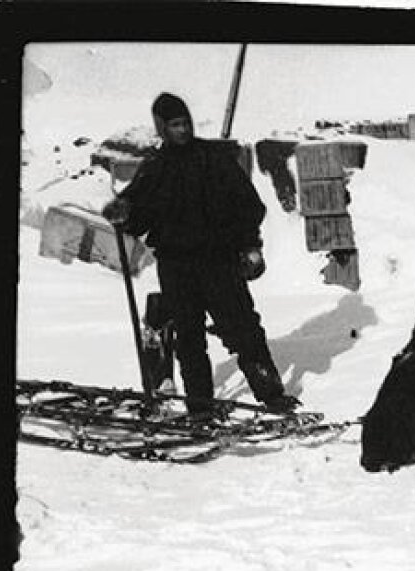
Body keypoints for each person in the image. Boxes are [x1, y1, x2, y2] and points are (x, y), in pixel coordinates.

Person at [103, 92, 299, 414]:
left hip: (218, 263)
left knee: (243, 330)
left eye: (186, 123)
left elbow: (249, 205)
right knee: (189, 340)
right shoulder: (155, 168)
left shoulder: (214, 158)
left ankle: (273, 397)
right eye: (175, 125)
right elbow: (139, 218)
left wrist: (251, 245)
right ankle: (201, 408)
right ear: (162, 127)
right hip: (176, 266)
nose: (183, 130)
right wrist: (123, 213)